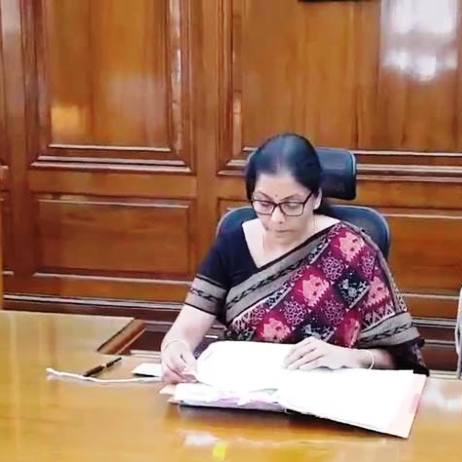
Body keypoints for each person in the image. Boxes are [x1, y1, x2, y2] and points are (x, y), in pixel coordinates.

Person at [160, 133, 427, 383]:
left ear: (316, 197)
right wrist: (175, 349)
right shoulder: (232, 243)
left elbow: (399, 360)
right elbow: (183, 331)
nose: (276, 218)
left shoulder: (352, 248)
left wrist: (348, 357)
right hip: (241, 392)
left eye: (291, 204)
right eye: (264, 203)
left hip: (327, 396)